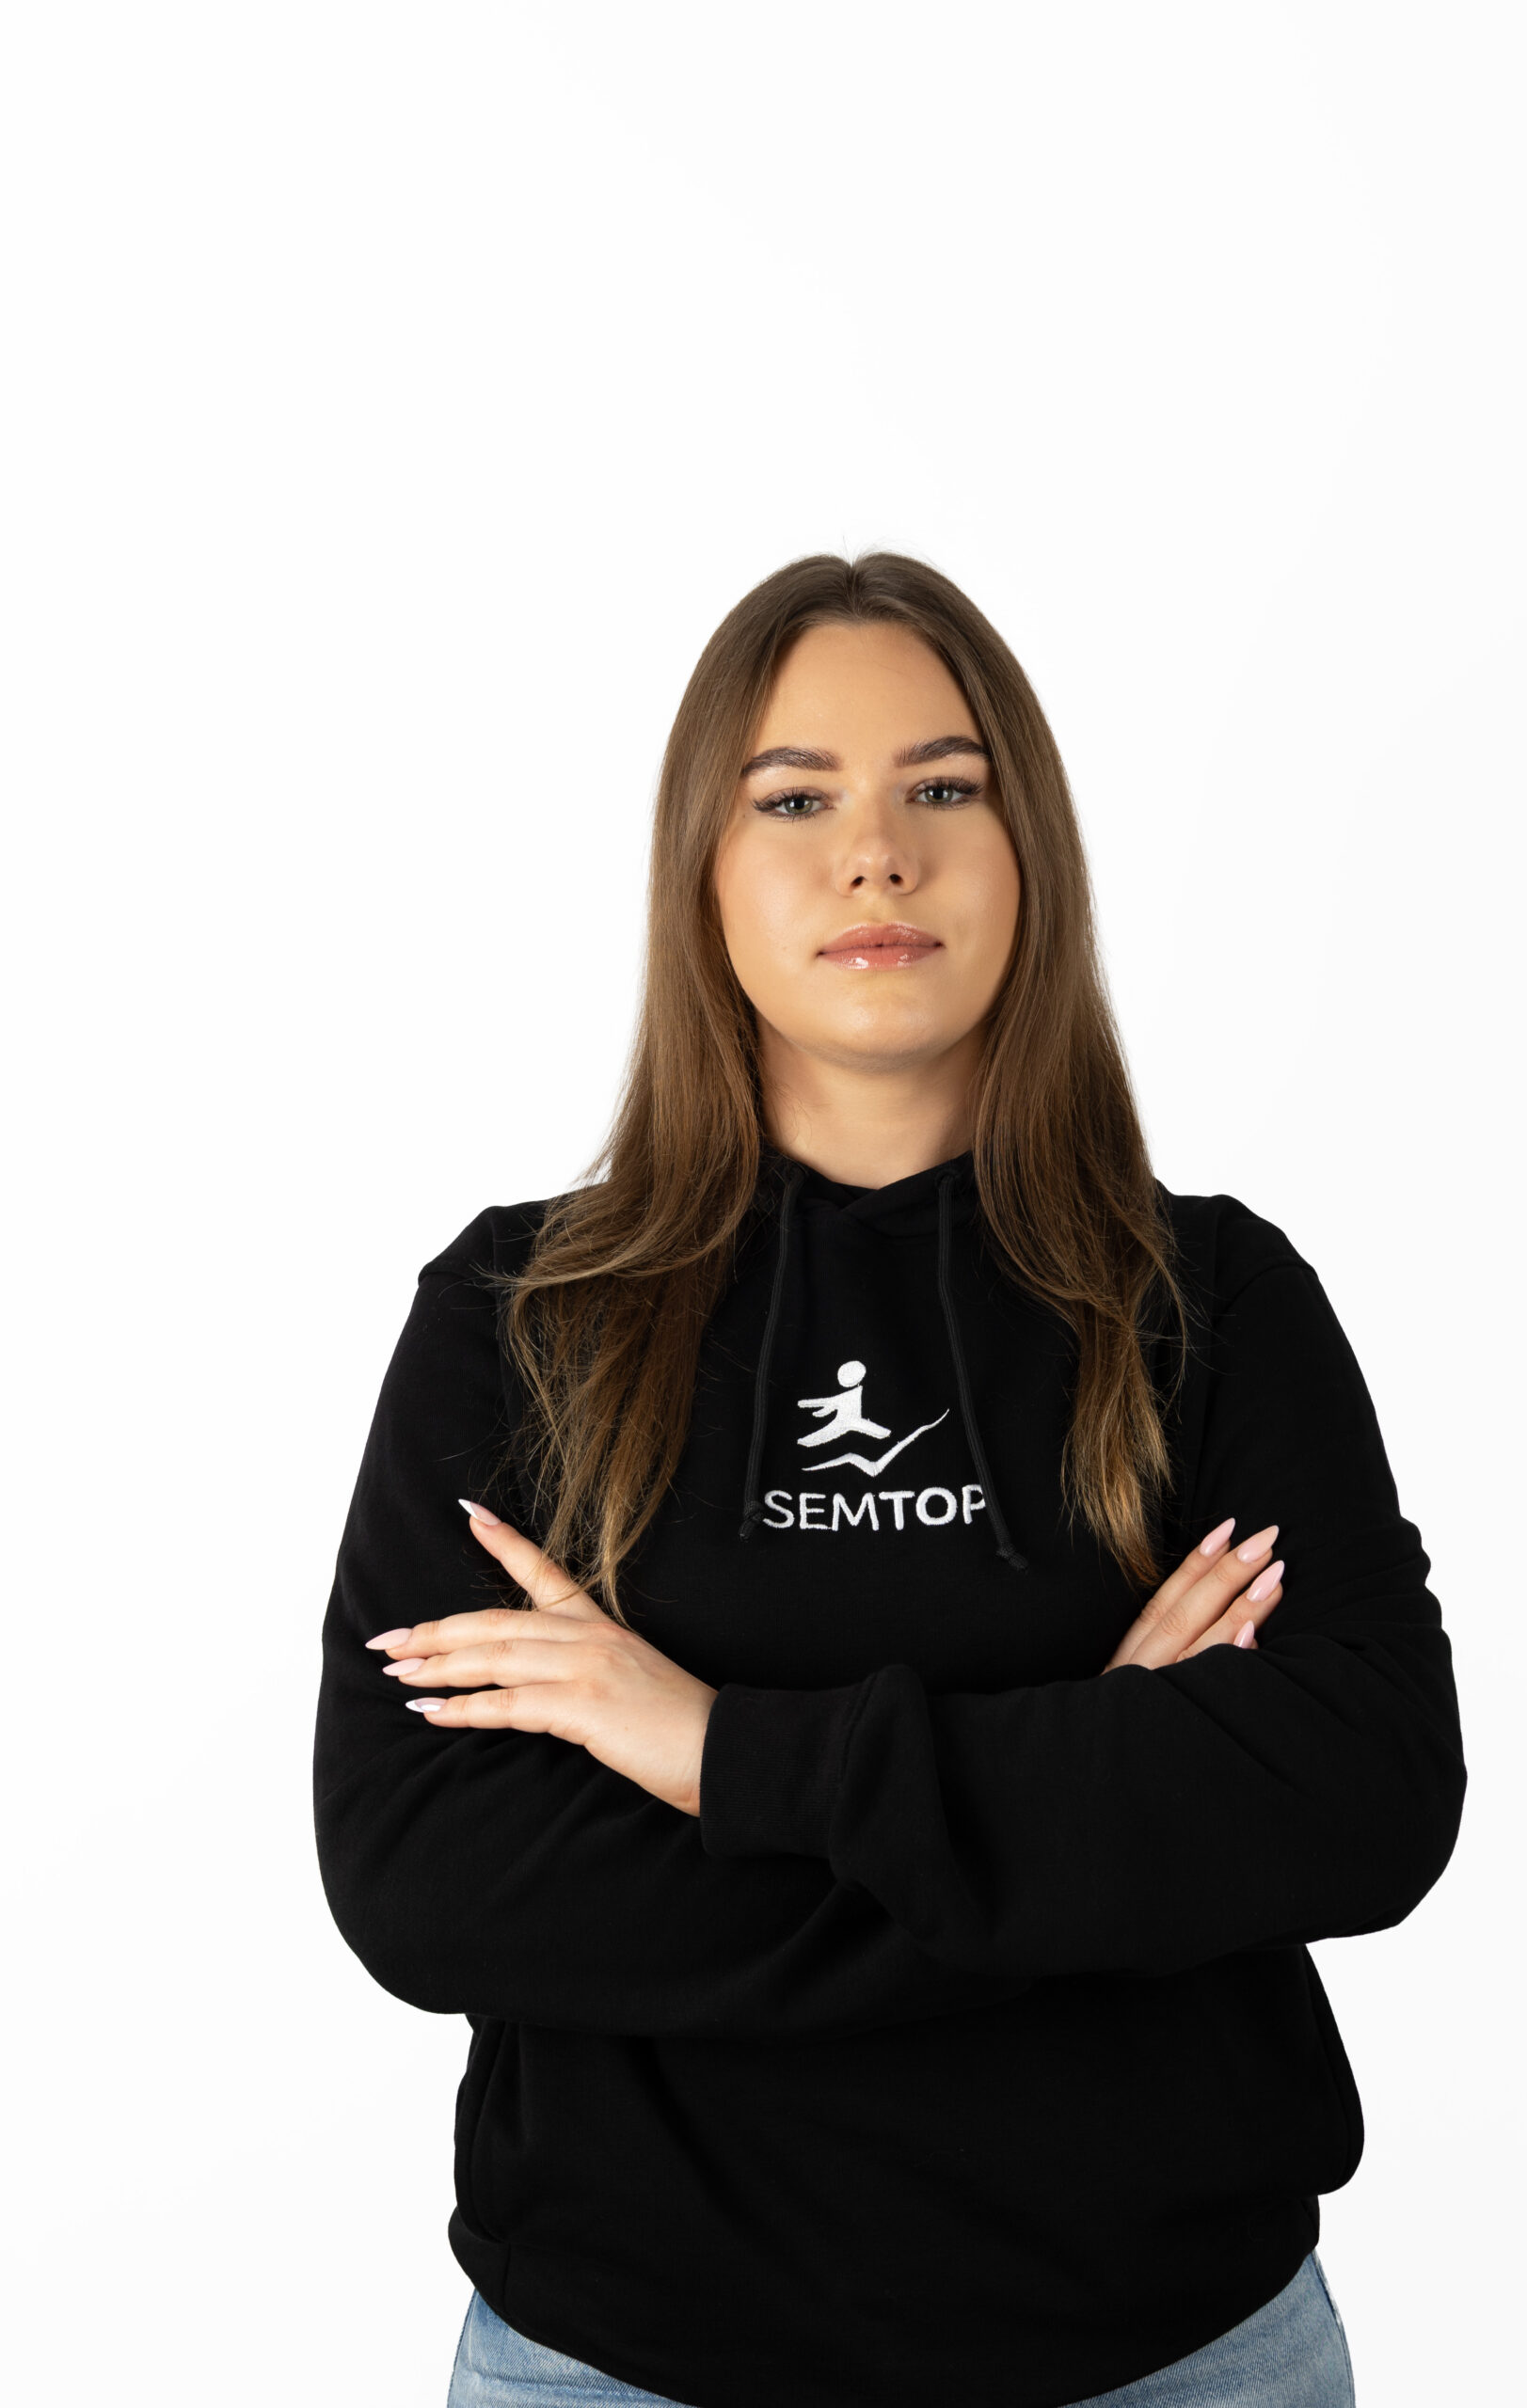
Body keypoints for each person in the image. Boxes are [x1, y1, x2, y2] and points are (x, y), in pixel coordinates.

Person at [313, 551, 1467, 2408]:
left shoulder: (1212, 1299)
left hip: (1173, 2353)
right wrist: (1084, 1790)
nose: (875, 855)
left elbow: (1361, 1798)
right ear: (702, 868)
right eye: (793, 799)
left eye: (943, 785)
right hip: (625, 2360)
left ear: (1029, 852)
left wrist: (715, 1753)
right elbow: (430, 1881)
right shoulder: (522, 1315)